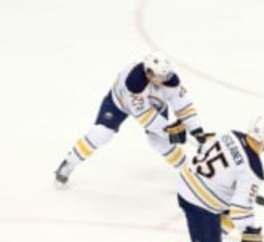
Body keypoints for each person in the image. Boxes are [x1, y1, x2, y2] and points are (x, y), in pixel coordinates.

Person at [130, 116, 264, 242]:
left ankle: (215, 237)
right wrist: (250, 235)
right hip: (199, 203)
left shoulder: (231, 135)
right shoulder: (253, 170)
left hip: (186, 180)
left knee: (232, 210)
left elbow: (204, 145)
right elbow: (241, 209)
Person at [54, 51, 210, 187]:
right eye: (161, 76)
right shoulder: (134, 82)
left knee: (158, 142)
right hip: (119, 103)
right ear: (149, 72)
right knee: (101, 133)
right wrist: (171, 132)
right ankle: (69, 163)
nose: (165, 79)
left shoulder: (169, 80)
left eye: (167, 75)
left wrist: (197, 130)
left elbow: (183, 105)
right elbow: (146, 118)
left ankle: (187, 171)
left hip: (153, 101)